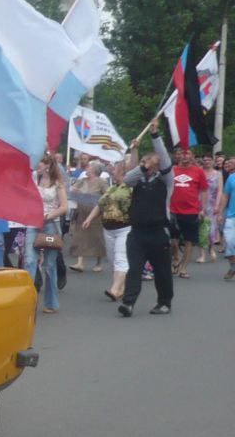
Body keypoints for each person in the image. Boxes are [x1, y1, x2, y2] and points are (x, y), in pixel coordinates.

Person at [118, 119, 175, 317]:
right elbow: (127, 178)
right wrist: (136, 154)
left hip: (158, 233)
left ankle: (164, 302)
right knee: (134, 269)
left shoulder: (166, 179)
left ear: (156, 164)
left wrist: (155, 135)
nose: (143, 165)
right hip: (137, 233)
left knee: (161, 271)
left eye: (147, 162)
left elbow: (165, 158)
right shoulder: (139, 179)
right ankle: (128, 303)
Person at [24, 153, 69, 314]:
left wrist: (47, 216)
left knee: (49, 265)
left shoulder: (58, 184)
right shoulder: (33, 178)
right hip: (33, 223)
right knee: (29, 260)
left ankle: (51, 302)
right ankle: (27, 301)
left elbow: (64, 206)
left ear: (48, 166)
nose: (38, 166)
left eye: (41, 164)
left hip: (50, 224)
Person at [82, 161, 132, 301]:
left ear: (123, 172)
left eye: (114, 169)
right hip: (108, 229)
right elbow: (100, 205)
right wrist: (89, 219)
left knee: (120, 258)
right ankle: (121, 287)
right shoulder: (111, 188)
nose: (112, 172)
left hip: (125, 227)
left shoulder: (131, 187)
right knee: (112, 259)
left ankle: (115, 289)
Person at [168, 150, 207, 278]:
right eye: (182, 153)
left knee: (189, 241)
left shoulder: (198, 171)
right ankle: (176, 258)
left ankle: (184, 268)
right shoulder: (172, 170)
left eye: (188, 153)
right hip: (173, 210)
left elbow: (203, 190)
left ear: (192, 156)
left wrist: (202, 209)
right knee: (173, 240)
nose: (185, 156)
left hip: (191, 210)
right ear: (177, 155)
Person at [67, 160, 108, 272]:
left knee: (97, 238)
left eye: (89, 167)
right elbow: (73, 190)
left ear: (94, 170)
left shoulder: (101, 182)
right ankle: (80, 263)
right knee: (80, 236)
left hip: (95, 214)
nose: (87, 169)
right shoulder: (82, 180)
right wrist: (75, 190)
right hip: (82, 212)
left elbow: (107, 195)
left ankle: (98, 262)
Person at [198, 154, 220, 263]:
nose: (206, 162)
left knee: (211, 229)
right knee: (201, 229)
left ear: (213, 161)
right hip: (199, 203)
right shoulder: (199, 172)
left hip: (212, 204)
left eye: (209, 160)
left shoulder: (218, 174)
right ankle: (202, 254)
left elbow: (220, 191)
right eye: (205, 160)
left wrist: (217, 205)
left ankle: (211, 249)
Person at [220, 155, 235, 281]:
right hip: (231, 216)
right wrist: (220, 213)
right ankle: (233, 266)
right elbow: (225, 196)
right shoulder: (231, 178)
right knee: (229, 242)